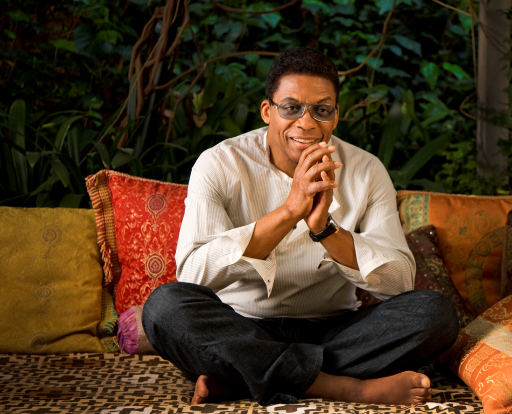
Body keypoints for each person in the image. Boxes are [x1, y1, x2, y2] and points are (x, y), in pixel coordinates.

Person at [142, 47, 459, 407]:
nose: (306, 124)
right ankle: (343, 387)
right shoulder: (219, 163)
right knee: (164, 307)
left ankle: (245, 375)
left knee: (435, 315)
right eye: (291, 107)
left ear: (336, 116)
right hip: (242, 326)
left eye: (321, 110)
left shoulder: (367, 171)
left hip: (334, 329)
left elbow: (401, 281)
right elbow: (193, 277)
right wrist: (290, 211)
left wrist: (325, 230)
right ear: (268, 111)